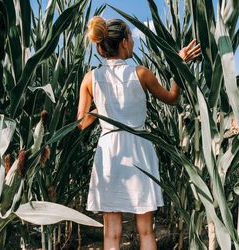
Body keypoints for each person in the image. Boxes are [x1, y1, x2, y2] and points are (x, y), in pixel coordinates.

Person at [77, 16, 201, 250]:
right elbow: (172, 98)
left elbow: (81, 124)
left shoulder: (90, 79)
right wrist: (179, 63)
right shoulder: (141, 73)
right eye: (132, 38)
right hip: (139, 149)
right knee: (146, 230)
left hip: (108, 153)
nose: (133, 42)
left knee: (111, 233)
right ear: (124, 42)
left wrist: (103, 108)